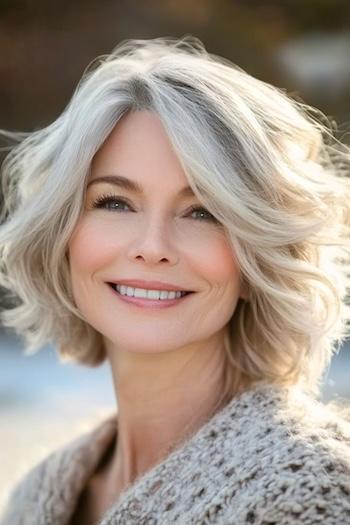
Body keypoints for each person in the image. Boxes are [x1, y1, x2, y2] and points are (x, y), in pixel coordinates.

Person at [0, 36, 349, 525]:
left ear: (258, 259)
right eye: (115, 203)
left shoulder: (310, 493)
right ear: (63, 236)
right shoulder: (33, 499)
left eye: (202, 211)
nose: (153, 246)